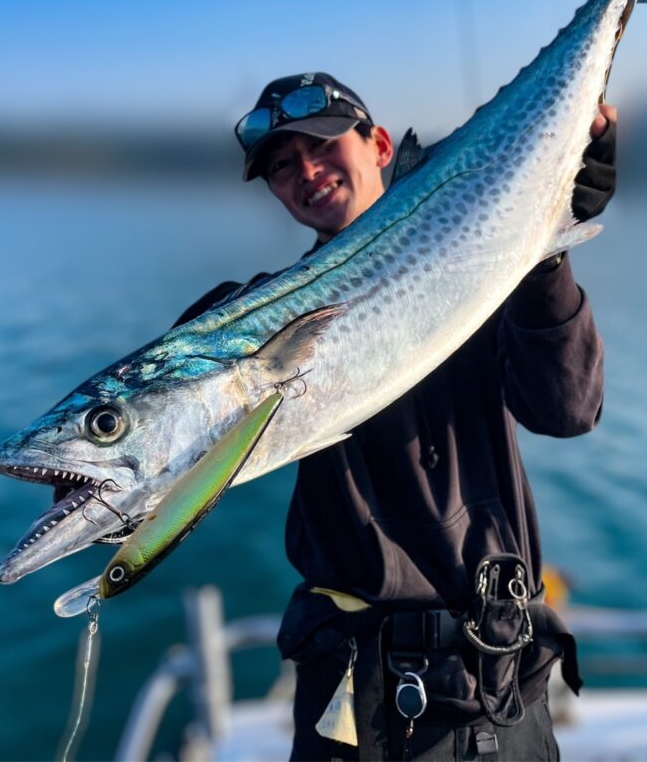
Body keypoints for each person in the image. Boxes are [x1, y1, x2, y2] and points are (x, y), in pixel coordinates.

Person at [175, 72, 617, 762]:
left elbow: (567, 411)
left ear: (380, 146)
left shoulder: (483, 275)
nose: (305, 172)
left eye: (322, 145)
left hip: (495, 680)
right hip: (350, 687)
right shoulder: (260, 323)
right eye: (282, 166)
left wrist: (544, 248)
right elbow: (182, 411)